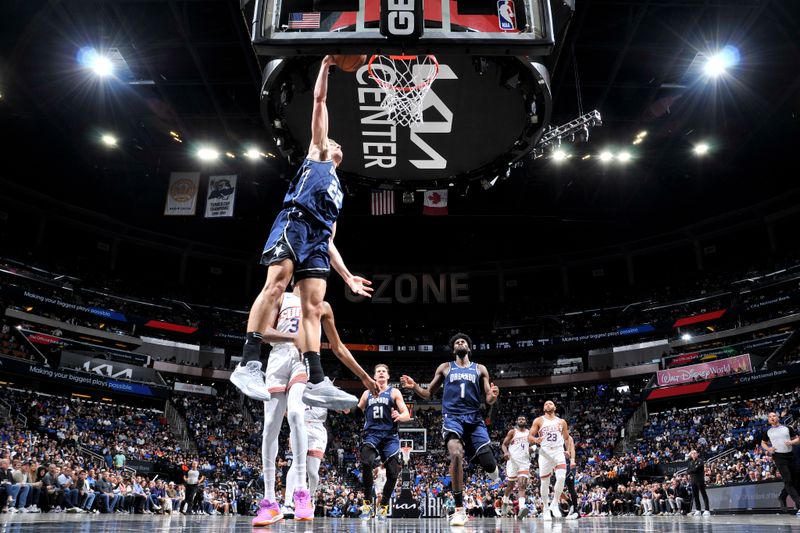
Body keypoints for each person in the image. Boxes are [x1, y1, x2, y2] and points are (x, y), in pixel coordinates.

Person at [230, 55, 372, 409]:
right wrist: (326, 67)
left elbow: (330, 241)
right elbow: (320, 102)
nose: (337, 144)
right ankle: (248, 362)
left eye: (339, 144)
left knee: (313, 306)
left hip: (318, 239)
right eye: (334, 141)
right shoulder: (319, 153)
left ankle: (316, 379)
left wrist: (349, 276)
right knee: (276, 285)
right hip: (296, 222)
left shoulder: (339, 193)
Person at [253, 290, 377, 526]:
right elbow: (264, 332)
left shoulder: (323, 306)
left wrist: (363, 376)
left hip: (304, 361)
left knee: (298, 413)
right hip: (278, 358)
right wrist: (292, 338)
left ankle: (301, 493)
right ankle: (269, 501)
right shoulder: (281, 297)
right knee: (270, 425)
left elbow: (338, 347)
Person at [401, 333, 500, 527]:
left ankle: (490, 466)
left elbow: (488, 398)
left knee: (489, 465)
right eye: (457, 342)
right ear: (454, 349)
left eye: (463, 341)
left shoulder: (480, 369)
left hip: (474, 418)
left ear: (469, 348)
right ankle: (459, 510)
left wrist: (493, 397)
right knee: (455, 454)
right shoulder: (445, 367)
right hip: (452, 418)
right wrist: (414, 387)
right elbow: (428, 393)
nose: (460, 343)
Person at [357, 364, 410, 522]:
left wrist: (400, 417)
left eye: (383, 371)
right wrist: (347, 409)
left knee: (393, 473)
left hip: (389, 436)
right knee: (366, 462)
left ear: (388, 376)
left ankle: (383, 506)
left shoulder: (394, 392)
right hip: (371, 434)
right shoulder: (367, 393)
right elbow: (356, 411)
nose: (380, 373)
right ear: (374, 376)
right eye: (378, 371)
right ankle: (367, 504)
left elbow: (406, 413)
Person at [528, 400, 572, 520]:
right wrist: (535, 440)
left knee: (562, 477)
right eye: (546, 404)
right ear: (543, 408)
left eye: (550, 403)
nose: (548, 404)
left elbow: (567, 438)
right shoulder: (539, 420)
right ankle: (545, 508)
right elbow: (529, 436)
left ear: (555, 407)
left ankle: (554, 504)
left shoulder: (561, 421)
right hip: (545, 452)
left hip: (558, 451)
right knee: (545, 482)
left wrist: (567, 450)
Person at [761, 412, 800, 516]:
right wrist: (768, 448)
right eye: (769, 417)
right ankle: (799, 504)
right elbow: (763, 443)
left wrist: (792, 442)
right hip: (779, 457)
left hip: (791, 455)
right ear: (768, 420)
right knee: (788, 480)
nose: (772, 418)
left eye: (774, 416)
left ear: (778, 417)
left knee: (795, 480)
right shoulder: (767, 431)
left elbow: (797, 439)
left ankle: (782, 496)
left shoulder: (787, 428)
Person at [501, 416, 531, 518]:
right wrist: (505, 452)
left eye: (523, 419)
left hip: (524, 462)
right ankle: (505, 503)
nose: (521, 420)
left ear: (526, 421)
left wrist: (533, 449)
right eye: (519, 419)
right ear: (517, 421)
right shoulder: (512, 432)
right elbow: (504, 444)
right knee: (510, 486)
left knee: (522, 485)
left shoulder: (529, 432)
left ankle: (522, 508)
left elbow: (532, 445)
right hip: (512, 461)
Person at [686, 450, 710, 516]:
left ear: (697, 454)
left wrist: (691, 470)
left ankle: (707, 510)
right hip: (693, 481)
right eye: (692, 453)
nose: (693, 454)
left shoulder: (700, 461)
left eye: (695, 453)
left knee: (703, 494)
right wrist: (691, 470)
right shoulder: (690, 462)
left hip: (700, 480)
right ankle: (698, 510)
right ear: (690, 455)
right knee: (696, 496)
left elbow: (695, 469)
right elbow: (687, 471)